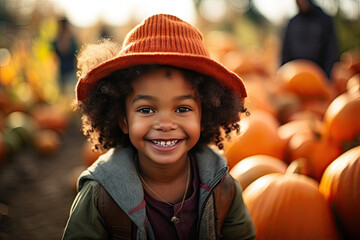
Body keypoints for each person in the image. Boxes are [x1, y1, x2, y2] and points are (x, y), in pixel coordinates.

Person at [62, 14, 255, 240]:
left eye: (182, 109)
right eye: (146, 110)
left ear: (204, 117)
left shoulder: (224, 190)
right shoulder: (99, 196)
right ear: (123, 119)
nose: (165, 124)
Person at [281, 0, 338, 78]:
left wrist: (326, 77)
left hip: (318, 77)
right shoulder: (293, 22)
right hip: (294, 76)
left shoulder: (324, 20)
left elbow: (331, 51)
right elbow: (285, 52)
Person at [53, 17, 78, 98]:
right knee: (65, 96)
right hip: (63, 72)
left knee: (69, 95)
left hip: (69, 71)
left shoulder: (70, 39)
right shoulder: (58, 40)